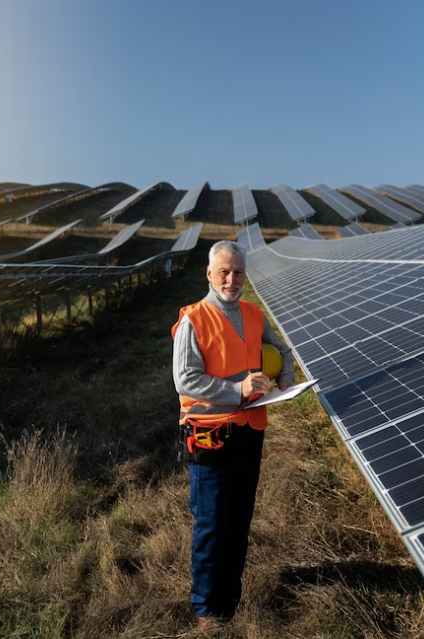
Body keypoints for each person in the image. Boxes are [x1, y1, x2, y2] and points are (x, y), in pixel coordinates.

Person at [171, 240, 294, 627]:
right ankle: (208, 611)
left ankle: (231, 599)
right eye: (223, 271)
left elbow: (282, 350)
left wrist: (286, 380)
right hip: (210, 435)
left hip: (249, 430)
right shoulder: (194, 319)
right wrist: (236, 390)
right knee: (212, 522)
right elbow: (184, 378)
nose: (231, 278)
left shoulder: (254, 314)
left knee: (239, 517)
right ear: (209, 274)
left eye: (238, 272)